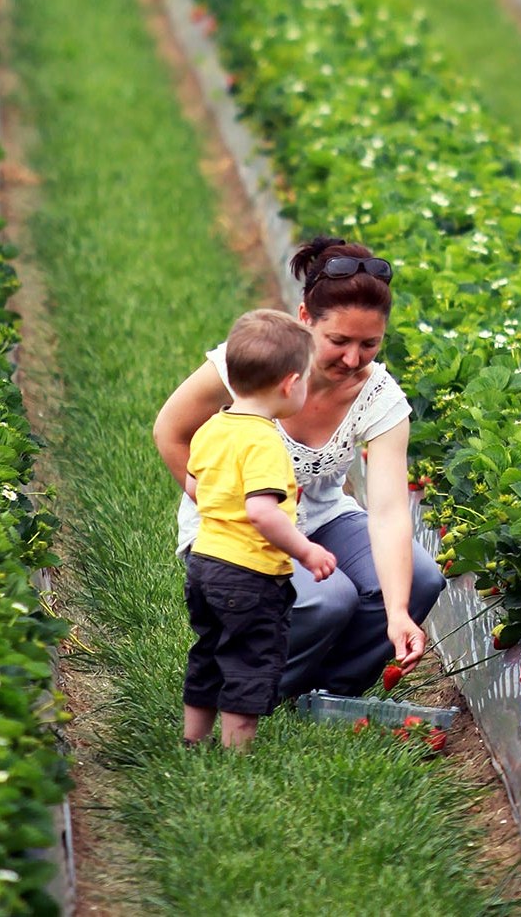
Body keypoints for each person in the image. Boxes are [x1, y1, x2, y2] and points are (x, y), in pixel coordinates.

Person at [154, 235, 446, 701]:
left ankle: (328, 693)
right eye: (339, 341)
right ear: (305, 318)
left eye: (370, 343)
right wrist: (215, 500)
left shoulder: (380, 398)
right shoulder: (253, 363)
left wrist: (397, 612)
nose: (353, 359)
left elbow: (389, 512)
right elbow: (170, 430)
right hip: (239, 524)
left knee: (422, 578)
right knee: (329, 601)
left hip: (322, 518)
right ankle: (248, 690)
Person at [181, 308, 336, 750]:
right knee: (249, 660)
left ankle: (193, 740)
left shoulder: (214, 426)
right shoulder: (264, 439)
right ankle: (237, 756)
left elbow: (196, 485)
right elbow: (261, 513)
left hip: (204, 562)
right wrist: (306, 551)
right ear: (290, 383)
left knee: (209, 652)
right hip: (248, 573)